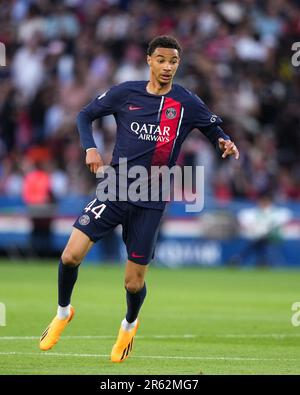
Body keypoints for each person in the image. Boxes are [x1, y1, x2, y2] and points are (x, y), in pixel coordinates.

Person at [39, 35, 239, 363]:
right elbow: (85, 115)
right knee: (71, 255)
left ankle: (129, 324)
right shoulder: (125, 93)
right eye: (161, 59)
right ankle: (63, 312)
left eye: (173, 61)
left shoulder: (186, 102)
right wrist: (90, 147)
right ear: (149, 60)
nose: (167, 67)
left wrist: (224, 141)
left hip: (152, 197)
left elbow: (213, 127)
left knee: (133, 283)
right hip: (115, 187)